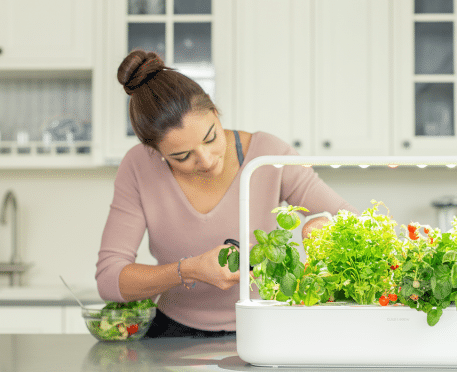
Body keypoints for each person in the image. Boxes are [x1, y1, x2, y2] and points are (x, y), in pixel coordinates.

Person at [95, 50, 358, 338]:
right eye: (182, 156)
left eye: (211, 137)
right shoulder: (138, 166)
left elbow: (351, 220)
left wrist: (323, 226)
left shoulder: (269, 155)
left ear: (217, 114)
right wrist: (189, 270)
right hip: (172, 333)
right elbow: (109, 279)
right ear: (155, 151)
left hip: (264, 327)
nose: (207, 161)